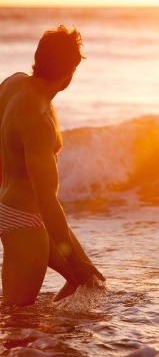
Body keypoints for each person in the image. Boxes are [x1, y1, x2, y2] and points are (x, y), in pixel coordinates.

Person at [0, 25, 104, 306]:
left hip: (11, 208)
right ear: (70, 71)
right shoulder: (38, 120)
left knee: (89, 282)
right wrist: (73, 257)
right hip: (25, 222)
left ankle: (54, 339)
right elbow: (47, 200)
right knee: (17, 320)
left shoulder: (12, 83)